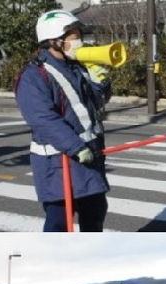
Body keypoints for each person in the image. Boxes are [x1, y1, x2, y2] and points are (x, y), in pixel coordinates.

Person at [15, 10, 113, 232]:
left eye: (78, 34)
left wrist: (101, 82)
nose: (78, 40)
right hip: (58, 164)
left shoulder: (77, 67)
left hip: (89, 159)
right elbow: (42, 119)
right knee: (59, 223)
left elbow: (96, 103)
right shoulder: (33, 75)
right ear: (53, 41)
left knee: (95, 215)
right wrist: (76, 146)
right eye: (72, 35)